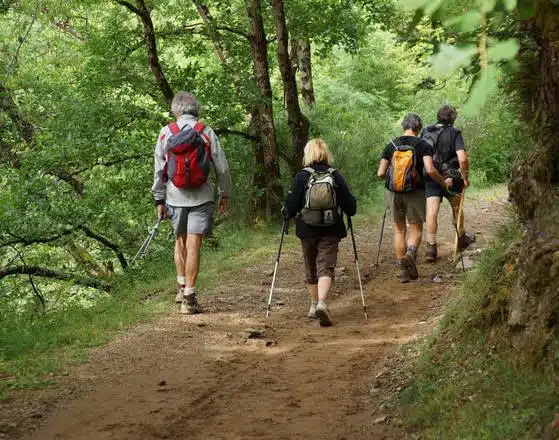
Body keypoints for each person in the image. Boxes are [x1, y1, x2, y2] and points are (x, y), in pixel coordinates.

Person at [152, 92, 232, 314]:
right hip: (201, 196)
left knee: (180, 240)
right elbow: (222, 167)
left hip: (174, 197)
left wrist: (159, 198)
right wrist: (225, 194)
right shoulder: (205, 132)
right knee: (194, 244)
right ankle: (189, 297)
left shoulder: (166, 132)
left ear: (175, 111)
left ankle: (181, 287)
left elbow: (159, 169)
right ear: (196, 109)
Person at [284, 138, 356, 327]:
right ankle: (322, 303)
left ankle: (313, 305)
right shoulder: (335, 175)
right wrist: (349, 209)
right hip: (331, 228)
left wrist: (286, 213)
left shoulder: (301, 176)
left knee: (311, 267)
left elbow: (291, 204)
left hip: (306, 228)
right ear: (326, 153)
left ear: (308, 154)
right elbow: (350, 205)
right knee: (326, 267)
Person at [377, 113, 450, 283]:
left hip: (393, 192)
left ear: (404, 126)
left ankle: (403, 271)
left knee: (399, 230)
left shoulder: (391, 145)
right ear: (418, 128)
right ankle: (410, 253)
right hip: (415, 192)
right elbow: (430, 170)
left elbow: (380, 173)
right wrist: (442, 183)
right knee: (416, 228)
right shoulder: (423, 145)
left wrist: (394, 178)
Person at [422, 105, 475, 262]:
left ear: (438, 116)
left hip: (431, 176)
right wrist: (465, 177)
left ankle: (431, 248)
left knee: (431, 211)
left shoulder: (426, 131)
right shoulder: (455, 132)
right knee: (457, 208)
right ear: (453, 118)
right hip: (451, 177)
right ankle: (461, 238)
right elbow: (462, 159)